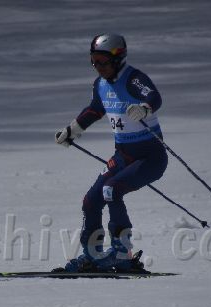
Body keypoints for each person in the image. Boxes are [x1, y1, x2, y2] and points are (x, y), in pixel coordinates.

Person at [55, 33, 168, 272]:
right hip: (123, 156)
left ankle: (122, 253)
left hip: (151, 157)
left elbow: (154, 97)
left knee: (111, 190)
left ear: (118, 59)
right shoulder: (100, 85)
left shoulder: (133, 78)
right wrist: (72, 130)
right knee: (91, 200)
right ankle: (92, 255)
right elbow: (95, 110)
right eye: (93, 61)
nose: (98, 67)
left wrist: (144, 108)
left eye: (103, 61)